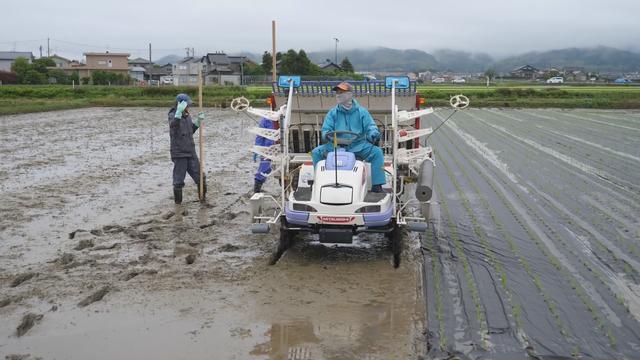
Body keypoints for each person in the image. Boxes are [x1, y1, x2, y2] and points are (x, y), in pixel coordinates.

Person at [311, 82, 385, 192]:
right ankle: (318, 183)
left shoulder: (362, 112)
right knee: (316, 152)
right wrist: (326, 135)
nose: (338, 95)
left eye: (341, 92)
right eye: (337, 93)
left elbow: (370, 126)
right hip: (335, 146)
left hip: (358, 145)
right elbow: (326, 129)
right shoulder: (332, 113)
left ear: (350, 94)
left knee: (377, 152)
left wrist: (373, 133)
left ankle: (377, 186)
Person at [168, 93, 206, 206]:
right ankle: (178, 205)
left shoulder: (187, 115)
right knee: (178, 181)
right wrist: (178, 113)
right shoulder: (173, 115)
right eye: (187, 105)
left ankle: (203, 200)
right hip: (179, 152)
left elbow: (190, 131)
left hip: (190, 151)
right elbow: (173, 125)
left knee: (201, 177)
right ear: (180, 104)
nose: (188, 107)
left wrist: (198, 123)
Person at [253, 117, 276, 193]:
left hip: (282, 148)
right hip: (267, 149)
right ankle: (256, 191)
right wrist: (257, 149)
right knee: (264, 168)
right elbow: (260, 135)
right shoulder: (266, 119)